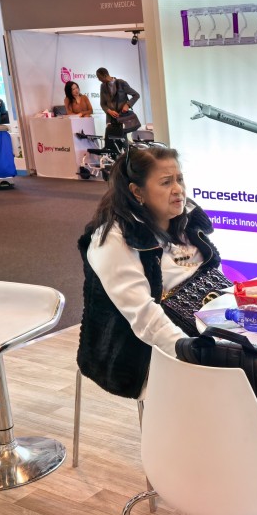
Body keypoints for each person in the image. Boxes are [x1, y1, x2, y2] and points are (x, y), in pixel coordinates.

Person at [77, 144, 223, 399]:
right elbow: (144, 316)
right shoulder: (113, 239)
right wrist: (192, 351)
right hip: (142, 353)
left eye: (179, 179)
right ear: (137, 191)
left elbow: (212, 276)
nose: (178, 189)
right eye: (166, 182)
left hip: (205, 328)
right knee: (246, 378)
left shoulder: (186, 218)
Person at [96, 67, 140, 138]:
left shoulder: (121, 83)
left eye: (99, 77)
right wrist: (110, 111)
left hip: (122, 117)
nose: (99, 80)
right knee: (110, 140)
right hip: (110, 119)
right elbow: (102, 104)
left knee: (122, 139)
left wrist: (127, 105)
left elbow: (136, 95)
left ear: (105, 75)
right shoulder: (103, 86)